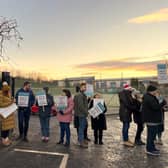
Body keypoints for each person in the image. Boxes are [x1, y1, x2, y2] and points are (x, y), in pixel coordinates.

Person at [141, 85, 164, 156]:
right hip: (151, 120)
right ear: (151, 91)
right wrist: (163, 102)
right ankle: (149, 149)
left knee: (152, 135)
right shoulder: (149, 98)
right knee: (151, 136)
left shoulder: (150, 97)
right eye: (155, 90)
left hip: (153, 119)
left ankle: (152, 148)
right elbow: (155, 107)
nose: (156, 92)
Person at [74, 83, 88, 148]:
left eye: (85, 87)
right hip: (81, 114)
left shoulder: (81, 95)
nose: (85, 88)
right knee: (81, 128)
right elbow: (81, 106)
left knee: (82, 128)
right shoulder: (80, 95)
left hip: (80, 114)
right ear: (80, 88)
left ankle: (81, 140)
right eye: (83, 87)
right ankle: (81, 142)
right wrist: (86, 112)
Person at [0, 82, 15, 146]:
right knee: (4, 128)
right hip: (4, 114)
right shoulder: (0, 94)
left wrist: (12, 100)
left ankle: (6, 139)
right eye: (5, 86)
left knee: (8, 128)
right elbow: (1, 104)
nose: (7, 87)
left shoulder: (8, 93)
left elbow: (9, 102)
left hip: (9, 114)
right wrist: (11, 102)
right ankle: (4, 140)